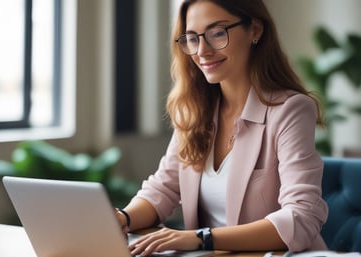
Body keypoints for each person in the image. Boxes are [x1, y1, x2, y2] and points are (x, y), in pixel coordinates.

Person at [116, 0, 328, 255]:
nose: (202, 51)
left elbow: (301, 217)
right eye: (193, 39)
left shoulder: (290, 110)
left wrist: (201, 238)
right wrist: (123, 219)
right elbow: (163, 188)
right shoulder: (195, 110)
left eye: (217, 33)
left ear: (255, 30)